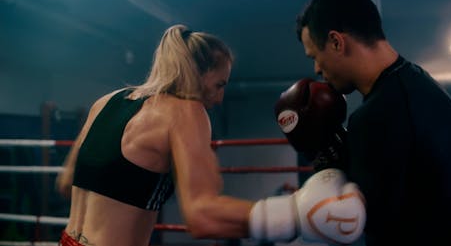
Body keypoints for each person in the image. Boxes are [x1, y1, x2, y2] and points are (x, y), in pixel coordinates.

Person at [55, 24, 366, 246]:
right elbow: (202, 216)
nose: (219, 99)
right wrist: (298, 212)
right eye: (219, 84)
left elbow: (67, 182)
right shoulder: (185, 112)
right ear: (197, 74)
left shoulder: (106, 101)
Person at [294, 0, 451, 245]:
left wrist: (325, 158)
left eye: (315, 55)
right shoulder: (416, 81)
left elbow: (362, 225)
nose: (316, 69)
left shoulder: (377, 115)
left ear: (336, 42)